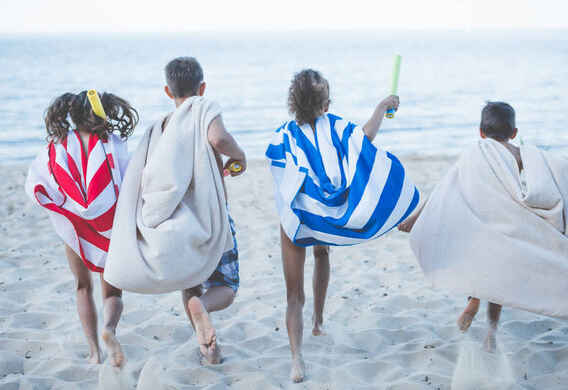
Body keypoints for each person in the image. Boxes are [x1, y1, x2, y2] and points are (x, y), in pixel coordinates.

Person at [266, 69, 419, 382]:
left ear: (292, 103)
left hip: (297, 217)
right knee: (322, 255)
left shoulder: (283, 134)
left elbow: (279, 169)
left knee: (293, 296)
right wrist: (381, 108)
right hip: (325, 218)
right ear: (326, 104)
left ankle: (297, 361)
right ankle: (319, 323)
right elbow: (363, 142)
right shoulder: (336, 125)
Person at [104, 57, 245, 366]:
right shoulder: (204, 107)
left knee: (191, 284)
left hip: (172, 221)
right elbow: (218, 138)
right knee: (226, 287)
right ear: (202, 87)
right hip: (205, 216)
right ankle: (204, 313)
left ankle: (209, 348)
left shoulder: (161, 126)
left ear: (168, 91)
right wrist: (240, 156)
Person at [401, 101, 568, 352]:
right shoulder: (520, 153)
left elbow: (446, 186)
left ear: (481, 131)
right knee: (497, 279)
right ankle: (490, 335)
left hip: (478, 224)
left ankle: (473, 300)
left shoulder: (473, 152)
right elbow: (552, 170)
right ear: (514, 132)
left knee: (480, 267)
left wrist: (416, 218)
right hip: (506, 225)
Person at [24, 90, 139, 366]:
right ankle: (109, 329)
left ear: (71, 115)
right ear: (101, 113)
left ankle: (94, 353)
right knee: (112, 292)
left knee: (82, 286)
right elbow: (128, 182)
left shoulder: (59, 146)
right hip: (109, 227)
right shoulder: (112, 143)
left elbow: (43, 179)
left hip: (75, 227)